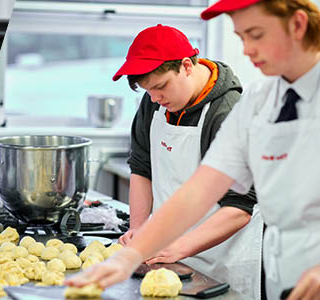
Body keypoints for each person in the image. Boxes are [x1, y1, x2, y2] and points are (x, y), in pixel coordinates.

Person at [66, 1, 320, 299]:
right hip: (287, 273)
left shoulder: (231, 107)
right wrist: (132, 253)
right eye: (241, 38)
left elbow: (241, 206)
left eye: (256, 34)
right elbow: (200, 190)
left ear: (298, 25)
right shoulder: (259, 103)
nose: (247, 49)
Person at [112, 24, 262, 299]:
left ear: (186, 66)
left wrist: (177, 247)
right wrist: (139, 229)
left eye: (160, 87)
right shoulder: (156, 102)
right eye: (148, 91)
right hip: (166, 256)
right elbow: (142, 169)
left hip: (221, 262)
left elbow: (239, 208)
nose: (155, 98)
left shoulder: (227, 114)